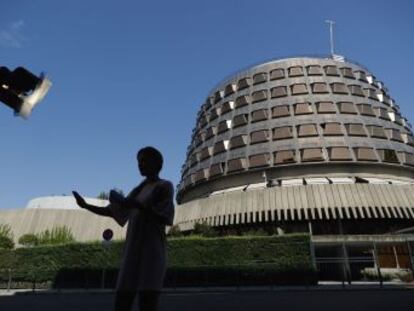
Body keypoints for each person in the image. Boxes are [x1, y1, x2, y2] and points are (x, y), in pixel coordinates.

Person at [73, 146, 174, 311]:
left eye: (144, 160)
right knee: (122, 300)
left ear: (156, 163)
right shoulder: (138, 189)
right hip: (132, 252)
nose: (140, 164)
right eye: (138, 161)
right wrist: (86, 206)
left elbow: (164, 217)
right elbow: (113, 211)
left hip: (152, 252)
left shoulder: (164, 186)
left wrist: (132, 204)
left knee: (147, 302)